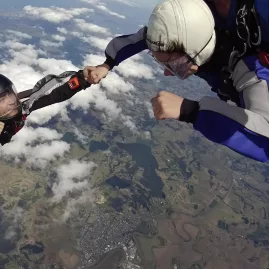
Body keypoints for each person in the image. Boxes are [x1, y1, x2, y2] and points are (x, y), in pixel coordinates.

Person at [83, 0, 269, 162]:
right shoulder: (190, 31)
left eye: (175, 65)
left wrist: (191, 111)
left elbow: (265, 138)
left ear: (198, 52)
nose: (167, 73)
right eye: (163, 64)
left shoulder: (250, 71)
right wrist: (106, 64)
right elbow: (143, 39)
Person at [0, 70, 90, 145]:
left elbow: (50, 94)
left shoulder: (19, 107)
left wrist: (81, 79)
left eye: (10, 94)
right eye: (1, 100)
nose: (11, 101)